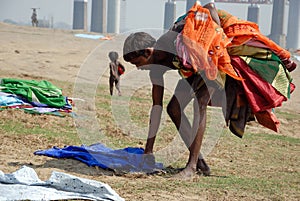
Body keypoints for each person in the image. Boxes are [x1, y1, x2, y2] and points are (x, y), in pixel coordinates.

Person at [122, 1, 238, 178]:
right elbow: (156, 107)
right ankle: (200, 162)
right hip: (190, 70)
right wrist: (148, 150)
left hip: (208, 62)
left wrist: (218, 39)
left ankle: (191, 167)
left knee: (200, 105)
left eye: (137, 63)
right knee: (173, 109)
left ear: (147, 52)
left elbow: (209, 6)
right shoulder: (154, 69)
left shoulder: (169, 40)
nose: (138, 68)